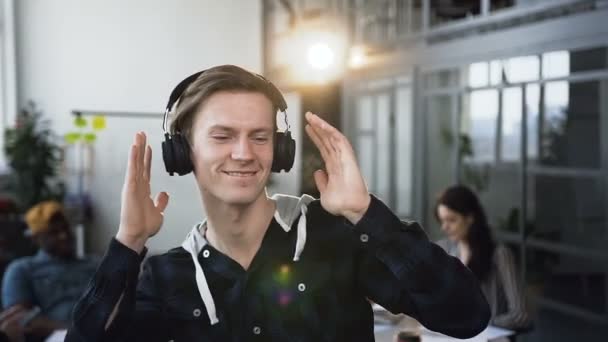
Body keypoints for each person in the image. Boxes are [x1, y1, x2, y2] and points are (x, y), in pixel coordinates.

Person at [65, 65, 490, 342]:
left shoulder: (335, 236)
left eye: (260, 136)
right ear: (182, 152)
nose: (244, 153)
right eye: (222, 135)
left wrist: (367, 215)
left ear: (279, 149)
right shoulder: (165, 277)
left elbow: (466, 316)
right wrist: (128, 241)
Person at [435, 185, 532, 331]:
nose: (444, 227)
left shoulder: (500, 255)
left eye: (451, 220)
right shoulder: (446, 251)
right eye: (442, 221)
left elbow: (520, 315)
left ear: (470, 218)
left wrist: (481, 325)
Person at [1, 201, 98, 341]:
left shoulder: (94, 263)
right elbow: (21, 321)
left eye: (65, 229)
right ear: (35, 239)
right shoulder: (22, 269)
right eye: (53, 232)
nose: (63, 236)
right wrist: (74, 332)